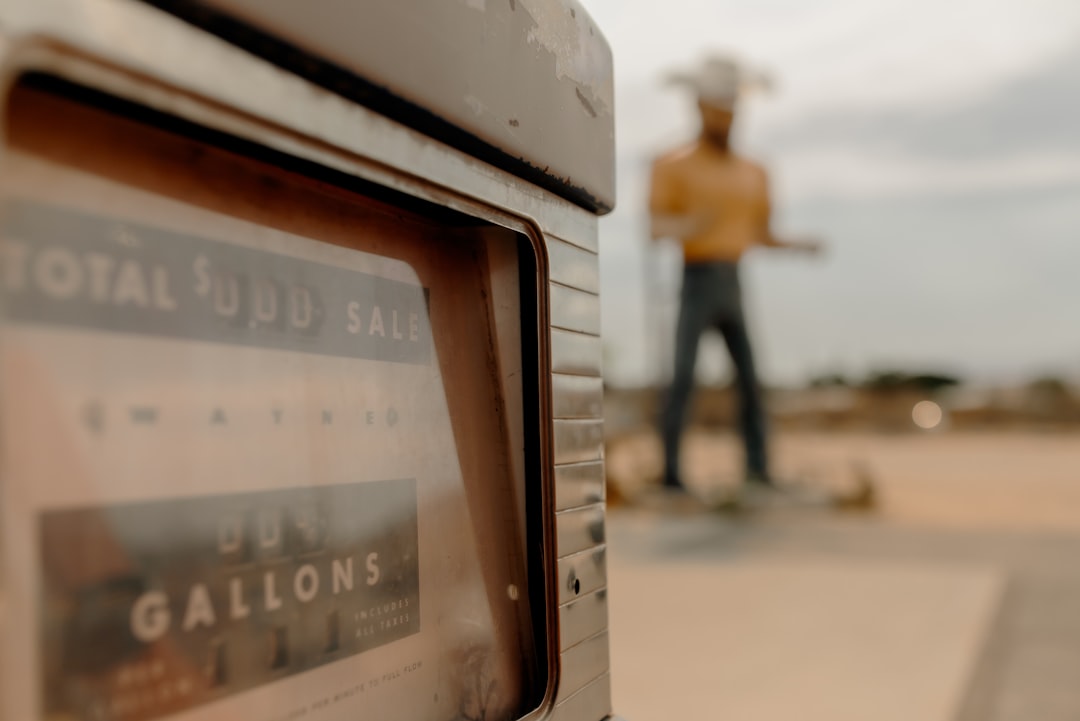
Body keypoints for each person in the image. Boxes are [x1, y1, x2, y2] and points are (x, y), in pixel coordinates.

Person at [649, 56, 820, 497]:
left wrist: (799, 245)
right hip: (697, 277)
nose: (725, 118)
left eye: (731, 109)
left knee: (750, 377)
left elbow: (761, 235)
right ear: (700, 109)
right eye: (717, 108)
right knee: (683, 377)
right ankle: (671, 474)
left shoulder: (755, 172)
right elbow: (656, 227)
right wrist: (692, 225)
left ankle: (758, 469)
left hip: (734, 279)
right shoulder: (671, 164)